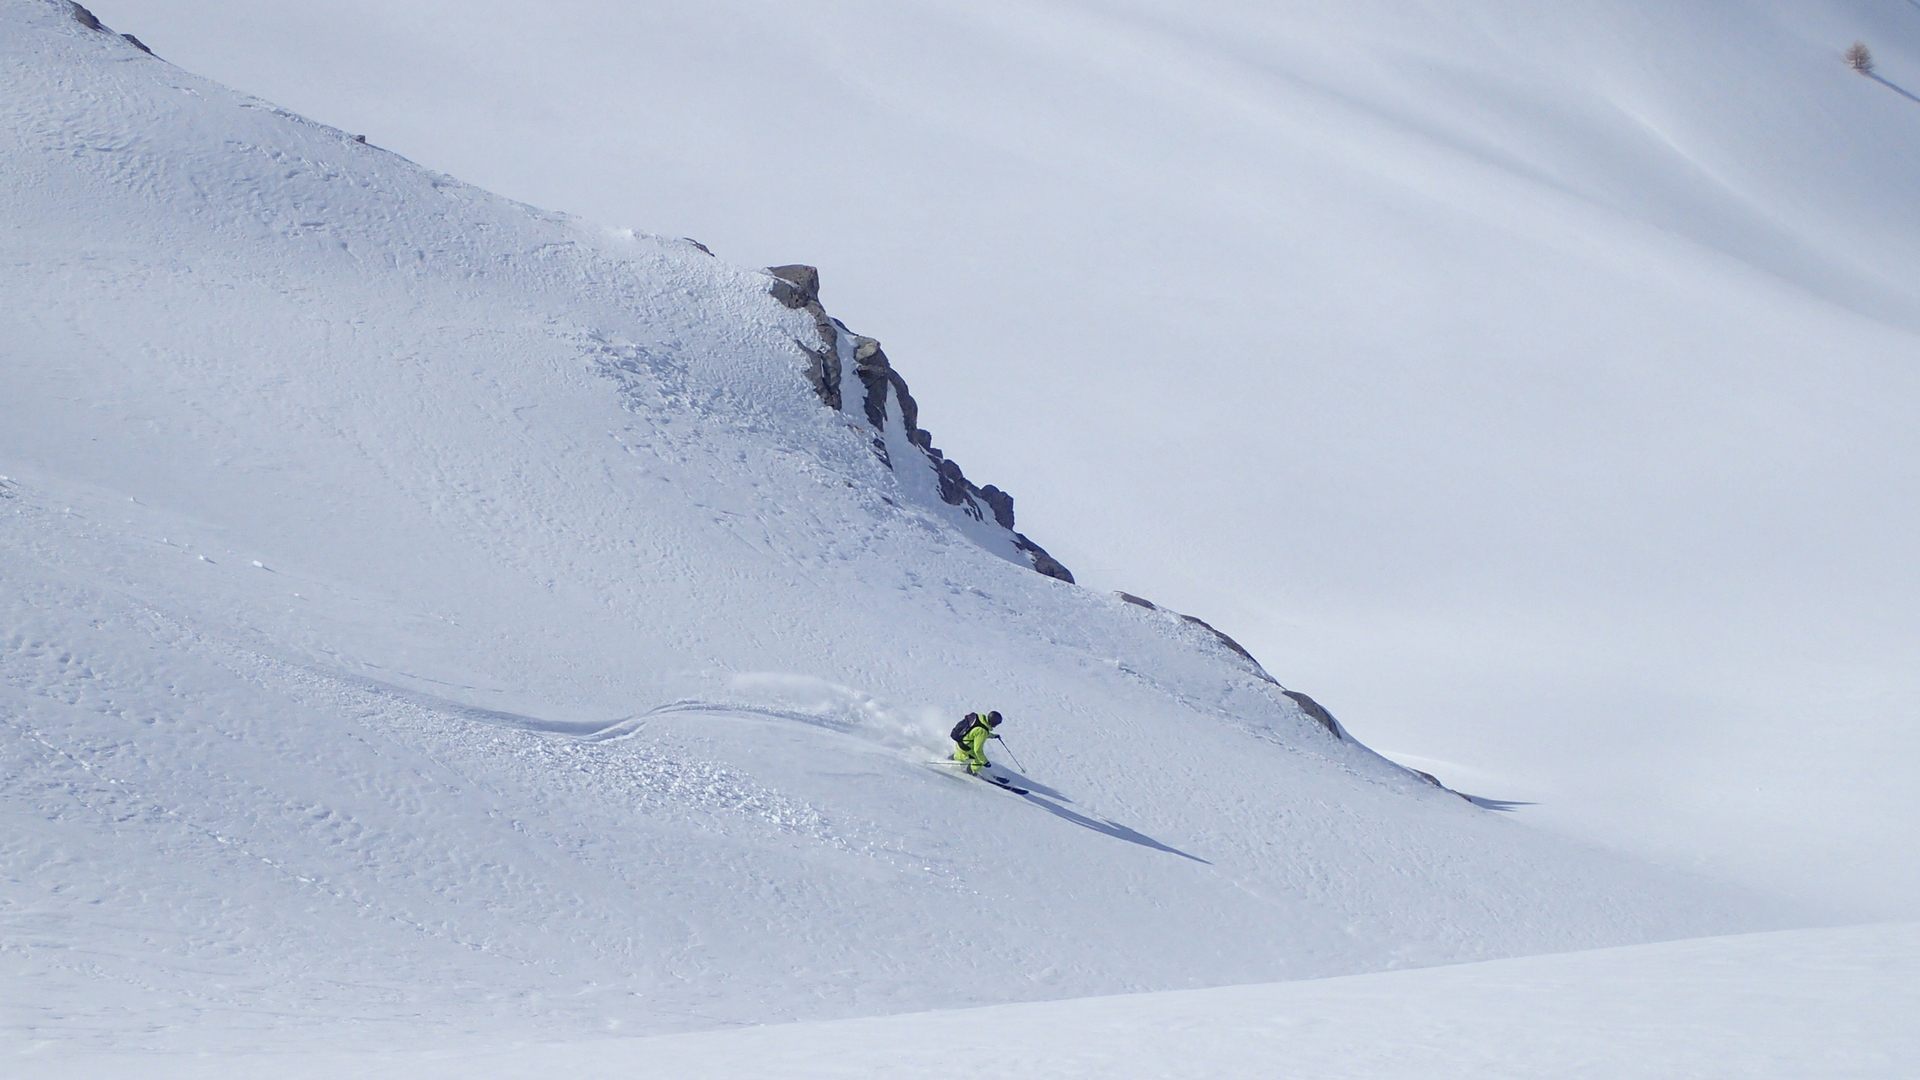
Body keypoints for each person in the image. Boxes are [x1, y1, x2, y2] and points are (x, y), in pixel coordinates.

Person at [952, 710, 1002, 775]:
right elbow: (978, 750)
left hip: (960, 741)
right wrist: (985, 762)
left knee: (971, 755)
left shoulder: (980, 719)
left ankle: (955, 756)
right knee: (979, 759)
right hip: (965, 747)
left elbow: (977, 732)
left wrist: (993, 736)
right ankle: (970, 770)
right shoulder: (982, 731)